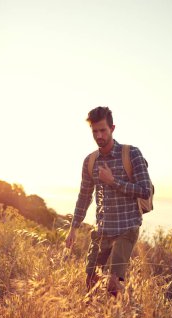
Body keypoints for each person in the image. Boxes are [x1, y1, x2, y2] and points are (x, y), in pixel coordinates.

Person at [65, 106, 152, 296]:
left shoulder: (132, 154)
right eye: (94, 131)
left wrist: (113, 181)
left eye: (103, 130)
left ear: (112, 128)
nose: (99, 135)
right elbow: (84, 196)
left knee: (112, 283)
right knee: (91, 282)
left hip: (127, 229)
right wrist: (73, 227)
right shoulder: (90, 161)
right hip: (103, 231)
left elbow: (145, 191)